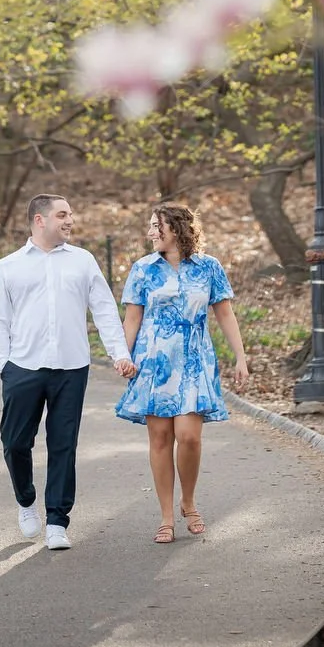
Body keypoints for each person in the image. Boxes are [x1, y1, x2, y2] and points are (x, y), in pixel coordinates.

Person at [0, 193, 136, 551]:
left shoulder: (83, 261)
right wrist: (3, 365)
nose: (70, 220)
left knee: (63, 444)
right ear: (40, 220)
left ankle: (57, 520)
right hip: (22, 367)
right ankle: (25, 501)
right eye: (63, 214)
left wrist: (119, 354)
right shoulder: (9, 266)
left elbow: (103, 309)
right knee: (15, 443)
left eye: (70, 214)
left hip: (71, 367)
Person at [115, 201, 249, 544]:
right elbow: (132, 318)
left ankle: (188, 500)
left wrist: (240, 357)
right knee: (160, 439)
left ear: (176, 228)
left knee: (189, 436)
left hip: (193, 359)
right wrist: (122, 356)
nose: (150, 233)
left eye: (156, 226)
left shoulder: (209, 268)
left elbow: (224, 314)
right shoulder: (143, 269)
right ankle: (166, 516)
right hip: (153, 361)